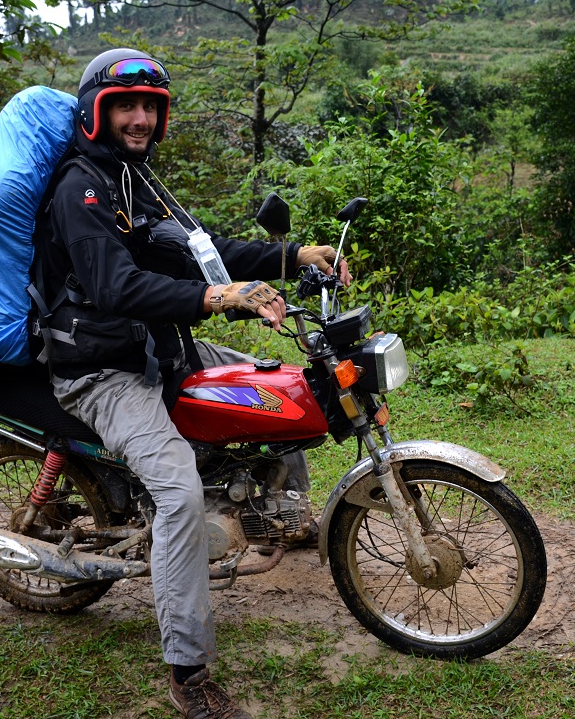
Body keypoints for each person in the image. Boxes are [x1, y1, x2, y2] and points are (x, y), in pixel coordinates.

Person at [34, 48, 348, 719]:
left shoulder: (139, 182)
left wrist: (294, 257)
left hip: (157, 346)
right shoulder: (81, 188)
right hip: (101, 366)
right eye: (127, 106)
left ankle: (280, 514)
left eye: (150, 106)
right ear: (97, 112)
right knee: (176, 495)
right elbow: (113, 286)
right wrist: (220, 299)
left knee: (271, 386)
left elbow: (207, 251)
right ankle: (188, 669)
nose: (141, 118)